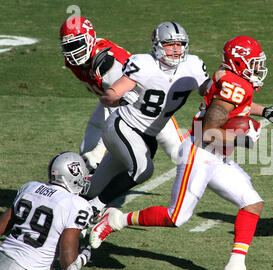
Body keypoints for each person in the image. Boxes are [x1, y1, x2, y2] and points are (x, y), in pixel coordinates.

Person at [89, 35, 273, 270]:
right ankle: (116, 218)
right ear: (239, 62)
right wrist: (242, 138)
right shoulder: (235, 85)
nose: (258, 68)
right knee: (177, 218)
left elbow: (236, 106)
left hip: (216, 155)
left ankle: (234, 268)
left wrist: (265, 111)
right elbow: (207, 131)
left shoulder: (234, 82)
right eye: (253, 62)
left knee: (252, 203)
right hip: (200, 153)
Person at [83, 21, 211, 212]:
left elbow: (211, 92)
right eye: (169, 44)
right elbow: (109, 97)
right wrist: (119, 98)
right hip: (122, 126)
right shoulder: (143, 64)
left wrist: (224, 82)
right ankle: (94, 209)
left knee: (91, 188)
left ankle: (73, 204)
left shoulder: (193, 66)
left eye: (179, 44)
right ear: (157, 45)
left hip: (148, 136)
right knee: (143, 170)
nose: (175, 50)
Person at [60, 16, 185, 173]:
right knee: (88, 150)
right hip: (114, 101)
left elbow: (120, 108)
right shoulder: (76, 61)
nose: (73, 51)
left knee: (178, 153)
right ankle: (86, 187)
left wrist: (100, 150)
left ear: (89, 38)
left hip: (147, 103)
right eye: (68, 46)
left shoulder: (106, 63)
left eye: (77, 44)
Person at [0, 152, 94, 270]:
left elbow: (1, 226)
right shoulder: (77, 205)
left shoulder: (30, 188)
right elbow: (68, 264)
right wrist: (84, 256)